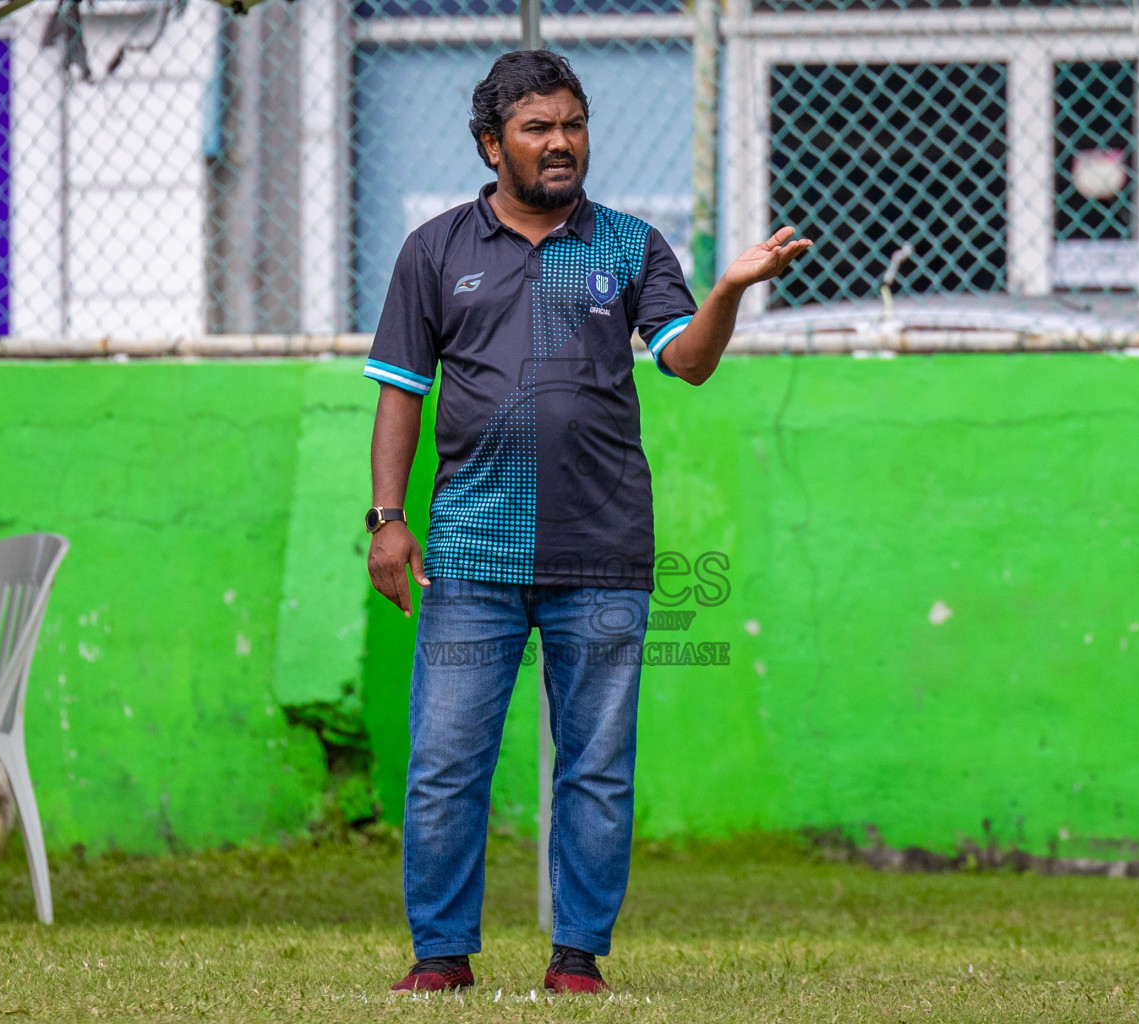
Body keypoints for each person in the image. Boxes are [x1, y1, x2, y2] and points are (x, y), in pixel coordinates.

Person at [364, 50, 811, 994]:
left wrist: (725, 292)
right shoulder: (435, 252)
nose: (560, 142)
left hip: (602, 552)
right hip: (471, 550)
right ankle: (440, 957)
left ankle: (577, 958)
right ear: (492, 145)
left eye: (572, 123)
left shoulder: (630, 245)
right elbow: (401, 393)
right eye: (537, 128)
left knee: (597, 769)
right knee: (445, 762)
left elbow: (685, 362)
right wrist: (387, 518)